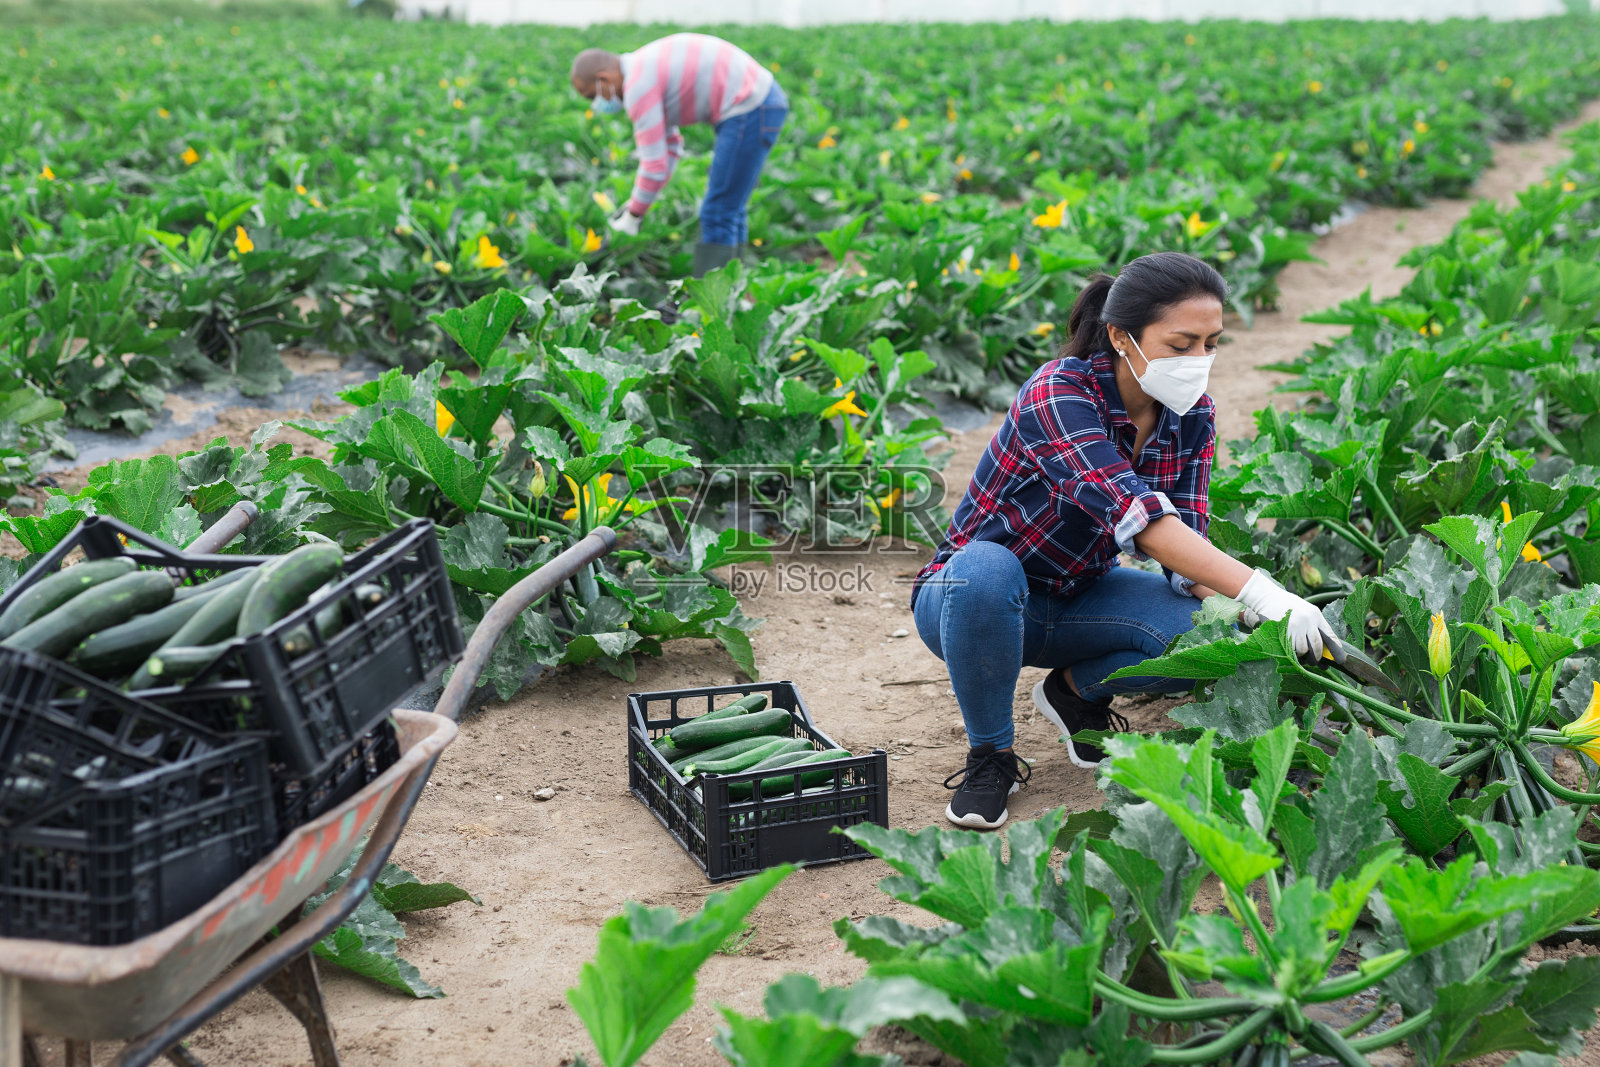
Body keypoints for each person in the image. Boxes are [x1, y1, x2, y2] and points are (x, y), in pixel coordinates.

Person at [909, 251, 1342, 830]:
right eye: (1181, 344)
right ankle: (991, 756)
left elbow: (1184, 539)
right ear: (1120, 336)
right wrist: (1267, 593)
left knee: (1205, 638)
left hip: (1079, 596)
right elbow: (1141, 519)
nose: (1199, 361)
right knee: (987, 567)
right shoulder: (1058, 394)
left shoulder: (1191, 415)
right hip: (968, 602)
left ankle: (1074, 693)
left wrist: (1237, 614)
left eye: (1212, 344)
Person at [569, 35, 788, 279]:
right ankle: (731, 290)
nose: (595, 104)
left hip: (750, 107)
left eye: (591, 96)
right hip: (762, 101)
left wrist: (634, 217)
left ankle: (713, 306)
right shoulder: (642, 68)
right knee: (729, 208)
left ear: (603, 80)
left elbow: (654, 166)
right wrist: (635, 207)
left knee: (717, 212)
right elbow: (669, 149)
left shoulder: (638, 87)